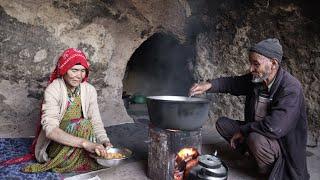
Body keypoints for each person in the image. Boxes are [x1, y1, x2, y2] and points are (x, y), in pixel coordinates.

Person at [189, 38, 309, 180]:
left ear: (273, 64)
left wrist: (244, 130)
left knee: (255, 139)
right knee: (223, 124)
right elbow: (233, 83)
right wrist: (208, 85)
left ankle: (269, 170)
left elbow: (275, 127)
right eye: (250, 63)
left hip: (281, 144)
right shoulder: (258, 79)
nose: (251, 69)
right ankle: (254, 155)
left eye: (256, 64)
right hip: (258, 130)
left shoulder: (290, 88)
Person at [5, 48, 112, 173]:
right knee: (83, 124)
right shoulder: (54, 89)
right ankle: (66, 159)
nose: (79, 76)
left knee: (87, 125)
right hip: (59, 142)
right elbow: (50, 131)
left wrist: (105, 141)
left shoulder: (89, 90)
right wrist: (85, 143)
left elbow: (96, 121)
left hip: (83, 138)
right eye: (74, 70)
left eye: (83, 71)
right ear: (64, 70)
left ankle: (80, 157)